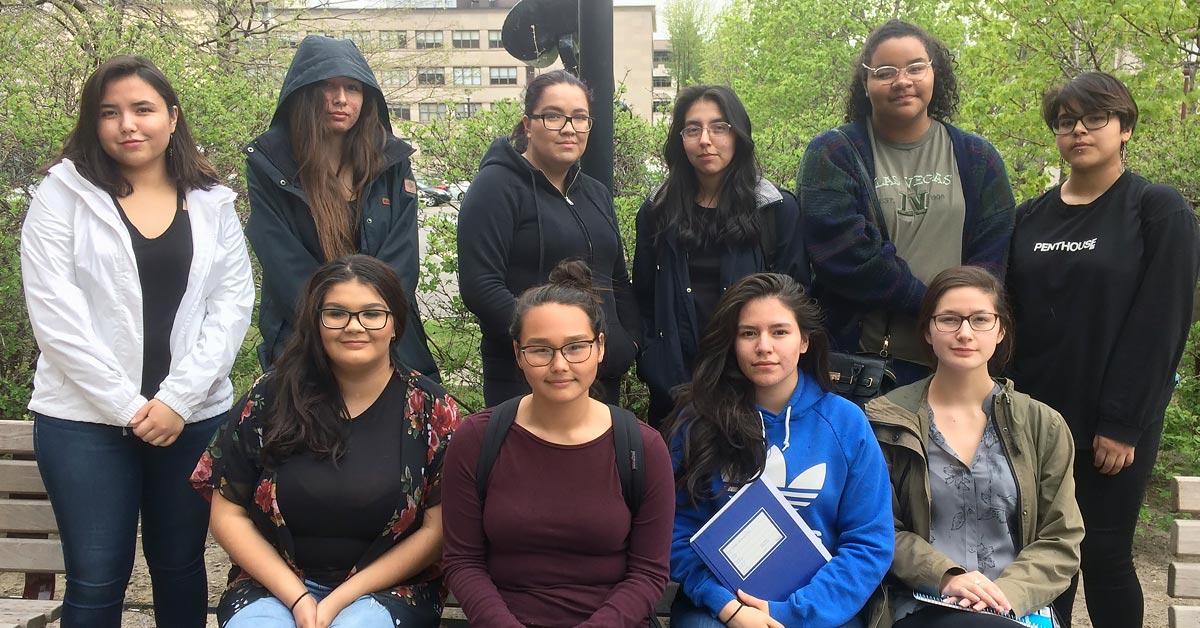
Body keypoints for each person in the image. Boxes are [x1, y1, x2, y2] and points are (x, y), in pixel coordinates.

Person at [19, 55, 254, 627]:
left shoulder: (211, 201)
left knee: (179, 568)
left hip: (192, 418)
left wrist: (177, 400)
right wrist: (129, 407)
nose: (128, 124)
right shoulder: (62, 194)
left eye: (143, 109)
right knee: (97, 578)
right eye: (110, 112)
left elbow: (230, 305)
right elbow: (55, 317)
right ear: (92, 124)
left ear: (172, 118)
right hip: (83, 423)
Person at [1007, 71, 1200, 628]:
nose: (1079, 131)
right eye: (1066, 122)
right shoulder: (1029, 217)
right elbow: (1010, 319)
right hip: (1035, 422)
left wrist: (1122, 421)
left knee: (1105, 554)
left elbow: (1162, 324)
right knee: (1044, 561)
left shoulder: (1156, 210)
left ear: (1126, 129)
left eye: (1095, 119)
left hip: (1112, 427)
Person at [191, 255, 460, 627]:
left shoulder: (431, 409)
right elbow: (227, 512)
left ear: (395, 322)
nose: (354, 327)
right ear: (316, 322)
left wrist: (338, 602)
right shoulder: (272, 395)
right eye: (336, 313)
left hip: (390, 590)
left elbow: (437, 532)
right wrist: (299, 598)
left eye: (372, 313)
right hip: (275, 584)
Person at [441, 259, 674, 627]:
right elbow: (463, 561)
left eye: (575, 347)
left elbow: (648, 573)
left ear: (599, 347)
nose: (560, 365)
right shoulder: (477, 440)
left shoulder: (641, 448)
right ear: (518, 354)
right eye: (541, 350)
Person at [666, 273, 893, 628]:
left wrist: (790, 613)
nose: (764, 346)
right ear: (732, 342)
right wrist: (728, 607)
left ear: (804, 341)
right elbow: (676, 531)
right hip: (718, 607)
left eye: (780, 332)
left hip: (820, 608)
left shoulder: (846, 423)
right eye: (748, 333)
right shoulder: (699, 421)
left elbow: (869, 543)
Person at [797, 19, 1015, 386]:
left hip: (957, 364)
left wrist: (957, 321)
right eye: (885, 72)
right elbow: (845, 257)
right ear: (865, 84)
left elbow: (992, 256)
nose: (902, 81)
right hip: (861, 368)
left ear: (935, 73)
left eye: (916, 67)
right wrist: (934, 309)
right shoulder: (832, 154)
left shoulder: (978, 157)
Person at [866, 266, 1083, 627]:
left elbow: (1060, 538)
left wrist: (1007, 594)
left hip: (1015, 605)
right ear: (928, 330)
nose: (965, 333)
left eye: (980, 319)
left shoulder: (1042, 425)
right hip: (924, 602)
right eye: (949, 319)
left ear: (1000, 330)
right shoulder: (886, 421)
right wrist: (947, 576)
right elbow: (880, 527)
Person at [246, 35, 438, 379]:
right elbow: (282, 260)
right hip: (304, 337)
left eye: (353, 88)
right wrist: (336, 323)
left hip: (387, 337)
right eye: (327, 87)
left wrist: (371, 323)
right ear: (303, 93)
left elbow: (402, 257)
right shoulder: (269, 167)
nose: (340, 99)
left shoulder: (391, 162)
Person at [457, 70, 640, 406]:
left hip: (600, 381)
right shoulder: (496, 187)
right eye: (553, 115)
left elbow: (617, 279)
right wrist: (545, 346)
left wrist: (628, 344)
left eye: (580, 117)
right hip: (526, 380)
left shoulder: (596, 194)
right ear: (528, 125)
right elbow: (480, 286)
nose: (568, 128)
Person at [633, 85, 808, 424]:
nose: (705, 140)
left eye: (719, 127)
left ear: (738, 134)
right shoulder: (657, 211)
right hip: (674, 389)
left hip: (752, 386)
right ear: (680, 139)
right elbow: (642, 296)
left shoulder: (775, 210)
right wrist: (650, 357)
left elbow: (798, 299)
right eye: (692, 129)